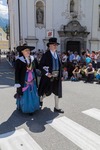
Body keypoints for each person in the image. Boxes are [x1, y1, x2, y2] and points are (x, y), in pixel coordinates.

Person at [38, 37, 64, 113]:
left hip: (56, 77)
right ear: (49, 46)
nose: (55, 46)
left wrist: (61, 75)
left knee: (57, 92)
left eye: (56, 45)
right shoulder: (46, 55)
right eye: (53, 44)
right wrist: (46, 73)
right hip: (48, 77)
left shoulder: (57, 55)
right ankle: (41, 100)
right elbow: (40, 66)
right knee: (47, 92)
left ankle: (56, 107)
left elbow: (60, 66)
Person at [14, 44, 40, 115]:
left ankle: (33, 107)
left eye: (29, 50)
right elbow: (17, 73)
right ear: (22, 52)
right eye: (26, 50)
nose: (28, 52)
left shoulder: (32, 58)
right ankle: (27, 108)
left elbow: (37, 67)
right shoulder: (19, 60)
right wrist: (17, 82)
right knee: (25, 94)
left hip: (32, 79)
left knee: (33, 93)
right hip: (24, 80)